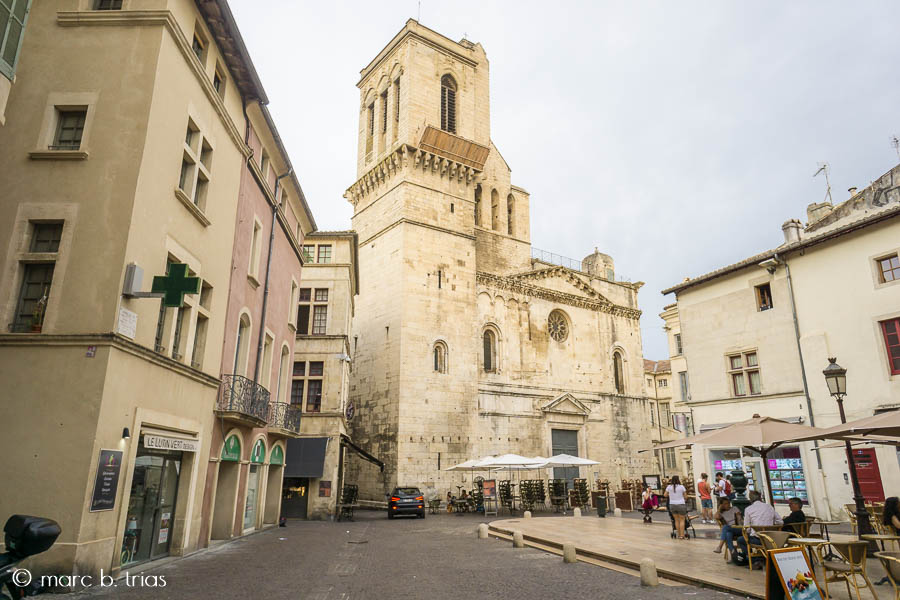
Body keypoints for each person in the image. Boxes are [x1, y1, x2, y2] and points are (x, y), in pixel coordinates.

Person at [735, 490, 783, 566]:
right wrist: (771, 525)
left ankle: (755, 560)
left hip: (758, 539)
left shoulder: (748, 509)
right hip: (770, 538)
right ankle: (760, 558)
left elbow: (747, 528)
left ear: (750, 499)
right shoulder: (769, 507)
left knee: (741, 540)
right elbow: (780, 522)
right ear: (760, 498)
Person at [665, 475, 688, 539]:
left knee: (676, 520)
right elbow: (686, 496)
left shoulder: (669, 487)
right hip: (681, 504)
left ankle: (679, 534)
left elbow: (665, 495)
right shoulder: (681, 487)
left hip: (672, 504)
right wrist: (684, 499)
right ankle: (682, 535)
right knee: (682, 520)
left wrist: (671, 495)